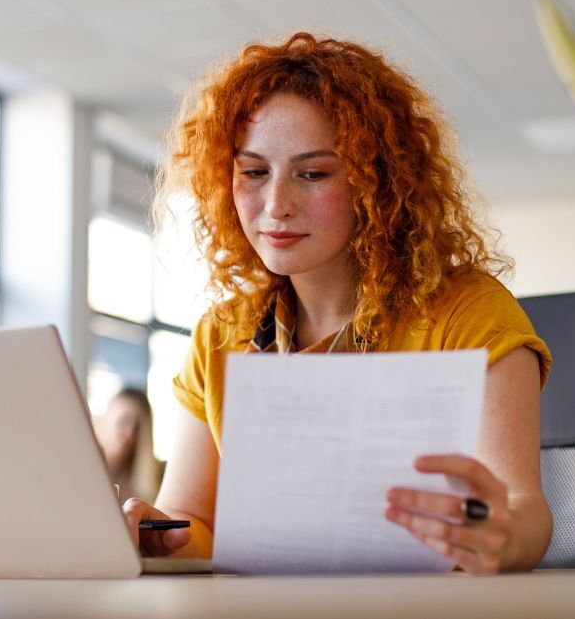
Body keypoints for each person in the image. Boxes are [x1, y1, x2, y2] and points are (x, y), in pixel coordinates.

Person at [124, 33, 553, 574]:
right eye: (253, 172)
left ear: (378, 183)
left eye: (314, 173)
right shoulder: (221, 333)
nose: (276, 205)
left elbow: (525, 510)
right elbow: (192, 520)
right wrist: (156, 534)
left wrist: (502, 535)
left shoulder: (467, 313)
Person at [95, 388, 163, 503]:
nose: (129, 432)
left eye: (137, 427)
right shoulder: (84, 463)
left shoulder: (144, 482)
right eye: (124, 420)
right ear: (107, 418)